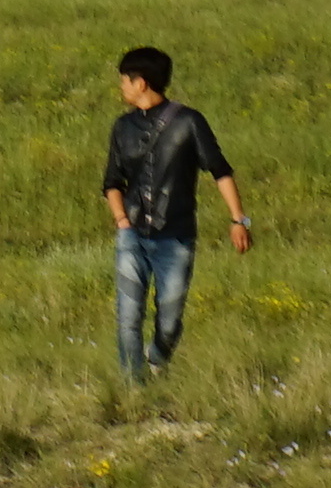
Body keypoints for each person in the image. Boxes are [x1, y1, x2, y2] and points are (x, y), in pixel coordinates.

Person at [100, 46, 248, 383]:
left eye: (124, 80)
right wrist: (122, 220)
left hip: (176, 237)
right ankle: (134, 389)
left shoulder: (189, 122)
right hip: (132, 236)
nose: (121, 87)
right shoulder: (122, 127)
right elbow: (112, 181)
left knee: (169, 322)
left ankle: (156, 357)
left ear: (141, 82)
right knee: (128, 317)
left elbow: (220, 171)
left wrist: (239, 220)